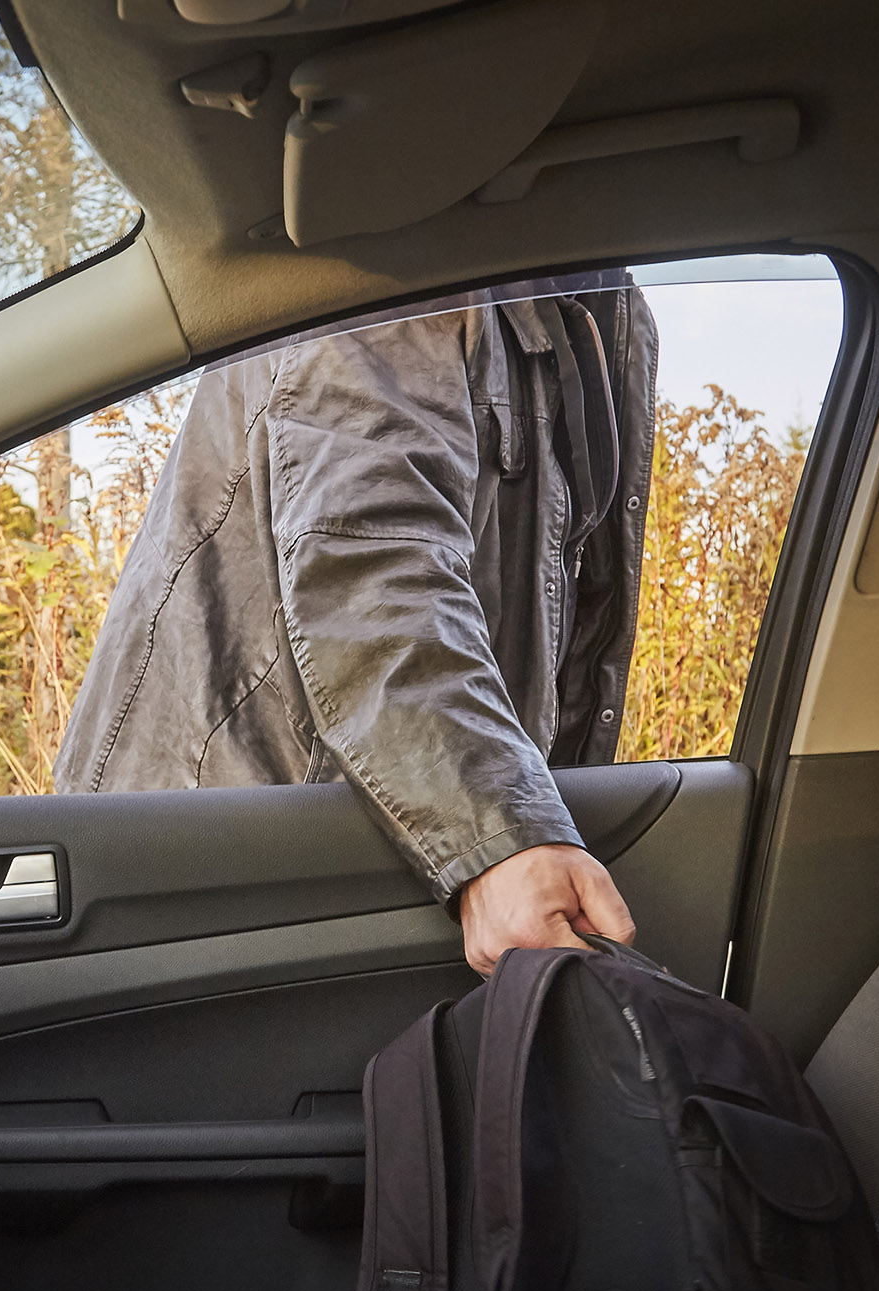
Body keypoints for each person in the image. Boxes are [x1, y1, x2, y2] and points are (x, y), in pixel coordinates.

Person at [54, 275, 659, 974]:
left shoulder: (595, 300)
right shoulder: (393, 266)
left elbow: (576, 634)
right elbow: (372, 563)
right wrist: (503, 834)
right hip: (224, 854)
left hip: (387, 829)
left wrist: (545, 824)